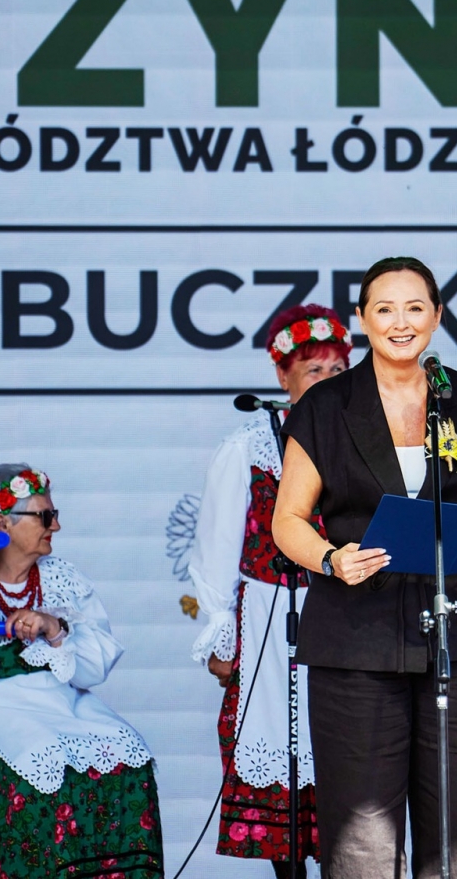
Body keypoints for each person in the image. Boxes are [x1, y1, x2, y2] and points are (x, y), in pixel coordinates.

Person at [270, 256, 457, 879]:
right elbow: (288, 520)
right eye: (384, 309)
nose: (400, 322)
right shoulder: (325, 406)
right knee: (363, 838)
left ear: (437, 316)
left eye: (414, 308)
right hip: (356, 638)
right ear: (362, 319)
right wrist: (330, 558)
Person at [0, 464, 164, 879]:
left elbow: (94, 668)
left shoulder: (62, 579)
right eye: (45, 516)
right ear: (1, 522)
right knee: (38, 762)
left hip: (62, 706)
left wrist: (55, 628)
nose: (55, 525)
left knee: (128, 754)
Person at [189, 304, 352, 876]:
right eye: (314, 370)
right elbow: (216, 547)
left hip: (348, 615)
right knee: (278, 747)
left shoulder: (366, 441)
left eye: (338, 370)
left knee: (347, 757)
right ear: (283, 375)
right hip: (270, 614)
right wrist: (221, 633)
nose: (328, 381)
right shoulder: (249, 446)